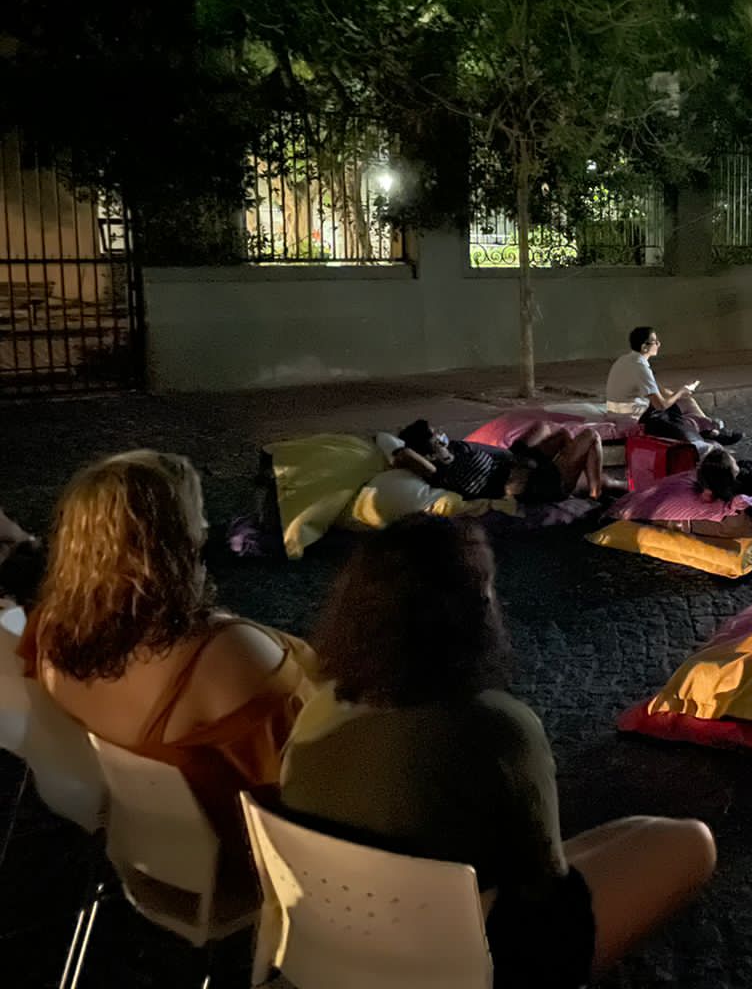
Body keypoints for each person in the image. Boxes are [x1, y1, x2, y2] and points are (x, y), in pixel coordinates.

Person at [279, 516, 716, 988]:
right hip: (462, 958)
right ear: (475, 610)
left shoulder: (318, 711)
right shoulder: (495, 726)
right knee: (692, 842)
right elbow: (544, 884)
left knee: (637, 831)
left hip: (341, 935)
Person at [19, 451, 316, 890]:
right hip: (247, 862)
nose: (207, 528)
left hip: (138, 834)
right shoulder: (223, 655)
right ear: (173, 539)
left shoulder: (50, 628)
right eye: (197, 516)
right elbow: (308, 769)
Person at [390, 418, 611, 503]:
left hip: (522, 465)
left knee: (560, 434)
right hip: (543, 484)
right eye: (435, 435)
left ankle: (580, 473)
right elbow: (402, 455)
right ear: (428, 452)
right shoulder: (440, 471)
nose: (440, 434)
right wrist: (434, 454)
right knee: (591, 437)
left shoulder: (455, 448)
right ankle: (595, 493)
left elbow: (494, 453)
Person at [605, 326, 741, 446]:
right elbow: (661, 406)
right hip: (632, 418)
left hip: (617, 412)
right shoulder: (640, 367)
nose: (659, 344)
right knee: (684, 403)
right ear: (644, 347)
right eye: (655, 341)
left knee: (683, 401)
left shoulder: (626, 359)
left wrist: (675, 393)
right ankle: (713, 431)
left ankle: (711, 430)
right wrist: (680, 392)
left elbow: (654, 386)